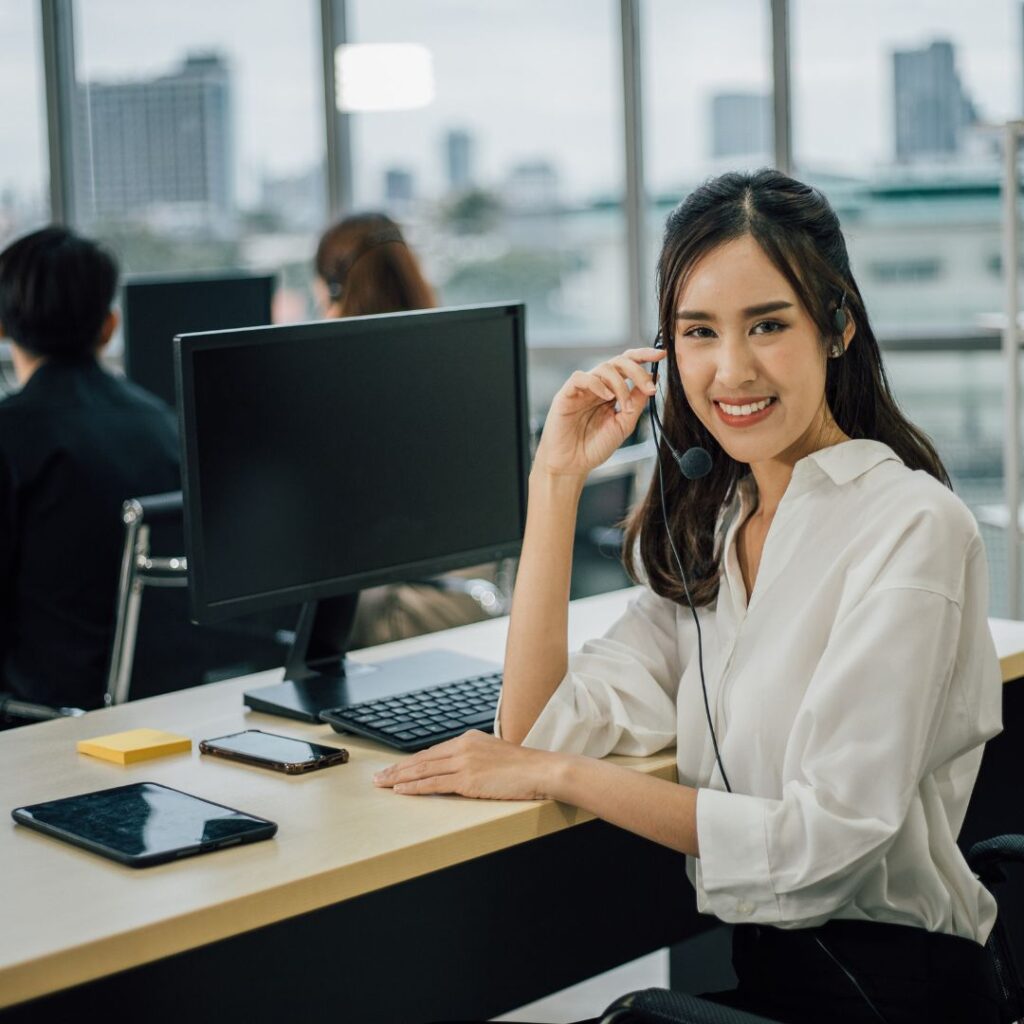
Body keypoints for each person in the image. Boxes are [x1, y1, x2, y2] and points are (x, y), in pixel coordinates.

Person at [372, 171, 1006, 1024]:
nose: (731, 369)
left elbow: (826, 846)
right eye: (698, 332)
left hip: (896, 990)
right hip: (778, 976)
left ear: (839, 326)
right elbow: (532, 729)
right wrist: (553, 480)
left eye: (769, 325)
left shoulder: (912, 526)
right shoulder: (719, 525)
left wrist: (560, 774)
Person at [0, 227, 180, 714]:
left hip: (45, 720)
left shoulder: (11, 435)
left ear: (3, 327)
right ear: (108, 326)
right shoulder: (164, 424)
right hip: (170, 705)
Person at [314, 212, 501, 647]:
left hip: (404, 614)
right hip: (481, 602)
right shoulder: (461, 366)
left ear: (335, 291)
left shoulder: (345, 388)